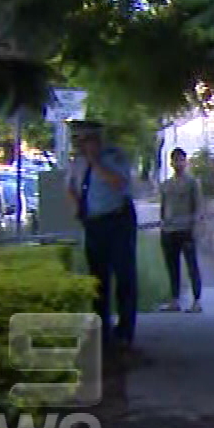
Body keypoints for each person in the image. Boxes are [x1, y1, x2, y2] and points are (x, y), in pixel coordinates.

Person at [66, 121, 140, 352]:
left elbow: (119, 182)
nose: (81, 145)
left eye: (85, 140)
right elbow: (70, 187)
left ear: (96, 139)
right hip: (94, 224)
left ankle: (125, 332)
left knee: (124, 277)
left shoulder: (114, 156)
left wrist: (95, 162)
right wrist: (76, 205)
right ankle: (102, 333)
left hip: (118, 220)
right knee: (98, 280)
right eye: (78, 140)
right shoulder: (76, 163)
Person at [155, 147, 203, 312]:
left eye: (181, 160)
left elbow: (198, 206)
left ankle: (197, 301)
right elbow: (163, 207)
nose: (178, 163)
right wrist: (162, 224)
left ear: (185, 161)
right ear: (171, 163)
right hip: (169, 231)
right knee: (172, 266)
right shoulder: (167, 184)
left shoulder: (192, 183)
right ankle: (174, 300)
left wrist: (196, 226)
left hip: (186, 230)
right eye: (175, 160)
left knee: (192, 266)